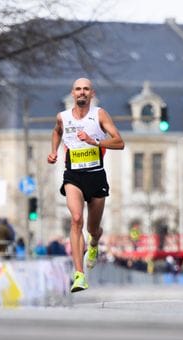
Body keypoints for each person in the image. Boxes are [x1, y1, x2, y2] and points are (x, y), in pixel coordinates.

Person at [47, 77, 125, 292]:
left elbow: (119, 142)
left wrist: (95, 141)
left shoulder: (99, 114)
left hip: (96, 176)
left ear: (92, 93)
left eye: (86, 89)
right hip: (73, 176)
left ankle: (93, 243)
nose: (82, 92)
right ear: (73, 93)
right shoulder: (62, 117)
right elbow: (56, 132)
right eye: (78, 89)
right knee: (76, 219)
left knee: (92, 228)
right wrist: (54, 151)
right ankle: (79, 275)